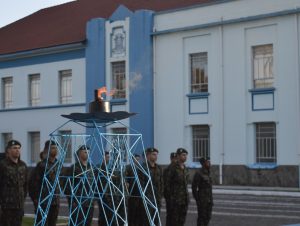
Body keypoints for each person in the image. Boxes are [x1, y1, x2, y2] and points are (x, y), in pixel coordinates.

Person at [29, 140, 60, 226]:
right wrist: (36, 199)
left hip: (55, 201)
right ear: (47, 150)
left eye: (56, 148)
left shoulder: (58, 164)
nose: (55, 150)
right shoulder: (42, 165)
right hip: (44, 201)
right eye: (53, 148)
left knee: (52, 223)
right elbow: (33, 183)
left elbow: (61, 182)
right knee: (41, 223)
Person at [0, 140, 28, 226]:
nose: (17, 150)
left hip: (19, 207)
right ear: (8, 150)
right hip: (6, 207)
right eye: (14, 148)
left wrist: (22, 199)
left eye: (19, 148)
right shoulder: (3, 165)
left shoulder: (23, 165)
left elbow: (25, 185)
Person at [66, 145, 95, 226]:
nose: (87, 152)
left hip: (89, 203)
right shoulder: (74, 168)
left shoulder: (91, 167)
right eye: (85, 151)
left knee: (87, 223)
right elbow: (68, 186)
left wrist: (93, 199)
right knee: (77, 223)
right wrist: (72, 201)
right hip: (78, 202)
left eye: (88, 151)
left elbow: (94, 184)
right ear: (79, 153)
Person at [164, 148, 189, 226]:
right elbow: (166, 184)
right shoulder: (172, 168)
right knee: (173, 222)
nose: (185, 157)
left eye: (186, 155)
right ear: (178, 156)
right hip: (175, 201)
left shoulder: (185, 168)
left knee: (181, 221)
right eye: (183, 155)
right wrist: (170, 199)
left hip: (184, 200)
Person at [142, 147, 163, 226]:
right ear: (148, 156)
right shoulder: (143, 168)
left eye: (156, 155)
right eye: (153, 154)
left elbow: (161, 183)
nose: (156, 156)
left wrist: (160, 195)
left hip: (156, 198)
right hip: (147, 198)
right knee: (146, 220)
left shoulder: (159, 168)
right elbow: (141, 184)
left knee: (156, 220)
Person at [192, 157, 213, 226]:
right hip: (202, 200)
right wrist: (197, 199)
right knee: (202, 218)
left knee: (208, 217)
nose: (209, 163)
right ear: (203, 163)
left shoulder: (208, 172)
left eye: (209, 162)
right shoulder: (199, 173)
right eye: (207, 162)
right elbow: (194, 187)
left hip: (209, 200)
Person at [125, 154, 144, 226]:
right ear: (132, 159)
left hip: (139, 193)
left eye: (138, 159)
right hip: (131, 192)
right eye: (135, 159)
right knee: (131, 212)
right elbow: (126, 178)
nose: (137, 160)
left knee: (139, 213)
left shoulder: (141, 168)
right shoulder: (129, 167)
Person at [163, 152, 177, 226]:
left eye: (176, 158)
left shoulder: (179, 169)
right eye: (173, 158)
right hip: (170, 197)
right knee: (170, 215)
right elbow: (165, 184)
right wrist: (168, 196)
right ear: (171, 159)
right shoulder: (167, 170)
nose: (175, 160)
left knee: (176, 216)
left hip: (178, 197)